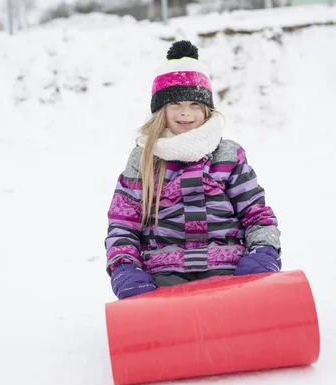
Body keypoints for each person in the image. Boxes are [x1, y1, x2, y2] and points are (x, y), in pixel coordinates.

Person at [105, 40, 281, 299]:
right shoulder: (144, 158)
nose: (185, 113)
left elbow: (256, 213)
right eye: (175, 104)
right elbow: (123, 224)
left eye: (194, 104)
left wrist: (263, 252)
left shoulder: (227, 155)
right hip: (164, 273)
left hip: (227, 269)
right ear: (160, 110)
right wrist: (126, 268)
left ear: (206, 109)